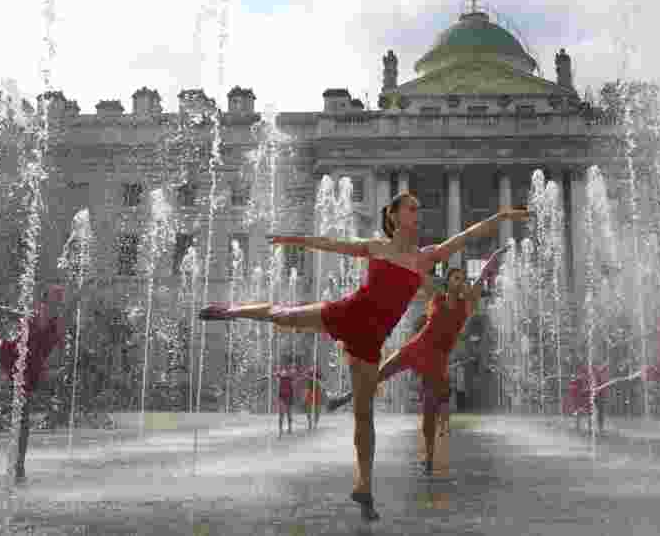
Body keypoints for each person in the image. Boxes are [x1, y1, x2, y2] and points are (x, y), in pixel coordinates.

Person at [199, 192, 528, 521]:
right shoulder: (376, 246)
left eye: (418, 207)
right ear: (395, 216)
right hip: (348, 313)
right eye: (412, 208)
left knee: (364, 415)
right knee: (283, 314)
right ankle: (232, 310)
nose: (418, 212)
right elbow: (332, 243)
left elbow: (467, 236)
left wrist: (500, 219)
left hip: (371, 341)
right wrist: (293, 239)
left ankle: (364, 489)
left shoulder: (426, 258)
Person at [327, 248, 505, 474]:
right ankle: (344, 397)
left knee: (429, 410)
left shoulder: (466, 303)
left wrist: (495, 256)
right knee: (380, 373)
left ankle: (429, 458)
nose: (460, 281)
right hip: (416, 347)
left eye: (462, 278)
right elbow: (419, 275)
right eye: (455, 277)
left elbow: (481, 278)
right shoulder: (436, 296)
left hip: (437, 359)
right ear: (448, 281)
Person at [0, 285, 67, 484]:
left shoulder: (57, 321)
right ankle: (18, 467)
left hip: (32, 368)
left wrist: (57, 369)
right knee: (22, 417)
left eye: (59, 298)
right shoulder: (36, 313)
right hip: (18, 359)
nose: (58, 301)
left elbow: (60, 348)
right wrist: (2, 310)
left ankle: (18, 466)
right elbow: (19, 316)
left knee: (23, 417)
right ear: (46, 299)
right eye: (56, 297)